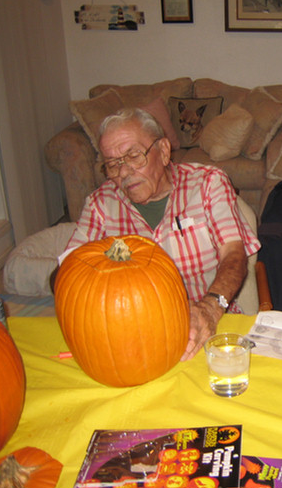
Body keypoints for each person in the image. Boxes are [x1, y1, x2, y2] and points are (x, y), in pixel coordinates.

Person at [58, 108, 260, 359]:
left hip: (213, 319)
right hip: (135, 332)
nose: (123, 172)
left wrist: (210, 307)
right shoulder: (100, 205)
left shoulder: (208, 183)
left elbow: (233, 254)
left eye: (133, 156)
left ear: (164, 151)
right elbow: (68, 271)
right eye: (112, 164)